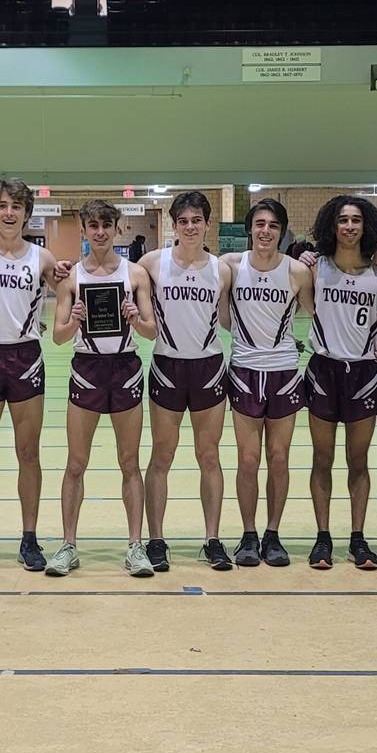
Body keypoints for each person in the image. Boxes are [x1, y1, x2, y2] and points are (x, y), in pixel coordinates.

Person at [46, 199, 158, 576]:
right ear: (84, 230)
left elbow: (151, 330)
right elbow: (59, 337)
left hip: (125, 368)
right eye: (93, 225)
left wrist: (134, 318)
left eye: (106, 225)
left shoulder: (136, 274)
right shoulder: (71, 278)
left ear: (117, 228)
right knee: (76, 462)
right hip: (87, 369)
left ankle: (135, 546)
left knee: (130, 462)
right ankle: (67, 545)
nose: (100, 232)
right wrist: (74, 320)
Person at [0, 179, 65, 572]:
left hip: (26, 358)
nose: (9, 212)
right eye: (2, 205)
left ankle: (29, 538)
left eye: (17, 206)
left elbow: (72, 287)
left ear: (26, 213)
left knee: (28, 453)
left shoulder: (42, 258)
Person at [141, 191, 234, 571]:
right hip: (167, 366)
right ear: (173, 225)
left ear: (207, 224)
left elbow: (231, 317)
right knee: (162, 455)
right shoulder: (151, 263)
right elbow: (106, 270)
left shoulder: (223, 269)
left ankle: (212, 539)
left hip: (209, 367)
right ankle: (157, 539)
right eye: (183, 221)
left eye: (197, 220)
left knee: (208, 456)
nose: (190, 226)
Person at [302, 196, 377, 569]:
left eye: (356, 220)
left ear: (366, 226)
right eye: (343, 220)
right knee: (322, 459)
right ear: (332, 226)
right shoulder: (314, 267)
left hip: (364, 374)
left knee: (358, 460)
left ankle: (358, 538)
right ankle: (323, 538)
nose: (350, 227)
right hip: (325, 371)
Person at [221, 198, 309, 567]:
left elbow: (317, 312)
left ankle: (273, 534)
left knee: (278, 457)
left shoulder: (297, 272)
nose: (266, 231)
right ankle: (248, 534)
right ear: (249, 229)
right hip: (244, 369)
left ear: (282, 231)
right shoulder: (230, 266)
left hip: (284, 372)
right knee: (248, 458)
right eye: (260, 224)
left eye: (273, 225)